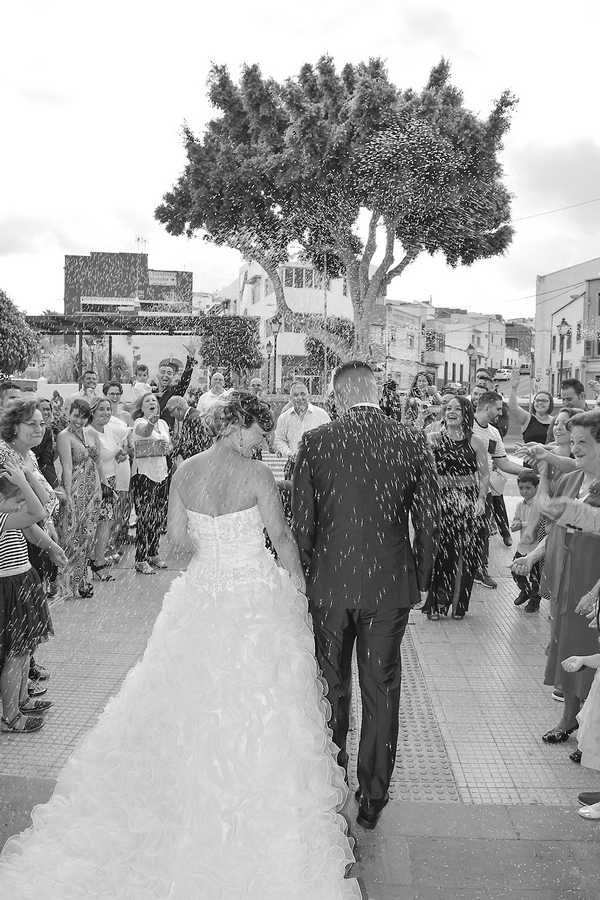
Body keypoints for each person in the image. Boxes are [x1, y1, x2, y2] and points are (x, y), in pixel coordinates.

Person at [0, 391, 362, 900]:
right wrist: (299, 590)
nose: (261, 442)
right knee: (262, 702)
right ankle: (259, 818)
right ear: (237, 426)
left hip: (201, 596)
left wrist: (211, 551)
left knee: (191, 701)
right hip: (255, 599)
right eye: (258, 432)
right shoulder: (258, 475)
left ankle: (182, 801)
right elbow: (281, 539)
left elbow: (175, 539)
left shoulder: (186, 471)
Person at [292, 361, 440, 831]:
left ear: (337, 397)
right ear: (376, 393)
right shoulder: (411, 440)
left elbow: (302, 523)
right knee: (381, 688)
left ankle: (331, 779)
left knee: (330, 684)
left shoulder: (317, 442)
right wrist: (421, 579)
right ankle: (373, 795)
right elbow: (429, 520)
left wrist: (309, 577)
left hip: (330, 588)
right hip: (388, 587)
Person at [534, 411, 600, 753]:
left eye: (583, 442)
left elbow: (586, 520)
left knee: (591, 653)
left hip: (592, 578)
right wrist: (534, 556)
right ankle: (570, 717)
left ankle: (592, 730)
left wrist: (596, 591)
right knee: (567, 648)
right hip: (567, 577)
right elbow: (553, 524)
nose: (575, 449)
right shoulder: (573, 479)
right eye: (572, 441)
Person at [0, 461, 57, 735]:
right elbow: (38, 512)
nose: (20, 505)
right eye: (16, 500)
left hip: (21, 579)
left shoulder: (8, 511)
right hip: (8, 586)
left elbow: (41, 508)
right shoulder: (2, 517)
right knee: (15, 653)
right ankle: (10, 717)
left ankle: (21, 701)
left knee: (23, 650)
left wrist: (26, 476)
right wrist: (24, 482)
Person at [424, 396, 488, 620]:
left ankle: (459, 604)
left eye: (457, 409)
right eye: (448, 408)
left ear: (466, 414)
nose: (451, 412)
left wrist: (481, 499)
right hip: (441, 502)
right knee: (441, 553)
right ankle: (437, 603)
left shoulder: (476, 442)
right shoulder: (434, 438)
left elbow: (485, 475)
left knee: (466, 554)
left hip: (468, 503)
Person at [472, 391, 527, 588]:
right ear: (487, 407)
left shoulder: (494, 433)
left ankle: (480, 570)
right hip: (462, 488)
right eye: (497, 409)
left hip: (484, 491)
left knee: (482, 532)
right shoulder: (465, 425)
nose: (500, 413)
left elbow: (503, 463)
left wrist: (531, 472)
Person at [55, 399, 102, 600]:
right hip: (75, 490)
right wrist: (67, 494)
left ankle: (80, 580)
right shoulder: (64, 436)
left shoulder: (90, 433)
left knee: (87, 535)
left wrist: (103, 486)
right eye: (76, 415)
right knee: (70, 535)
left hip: (92, 491)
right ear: (69, 414)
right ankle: (65, 582)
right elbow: (67, 466)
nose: (79, 420)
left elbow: (97, 461)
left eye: (83, 417)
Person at [85, 397, 126, 580]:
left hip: (110, 480)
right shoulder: (88, 432)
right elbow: (94, 461)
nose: (106, 413)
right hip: (96, 483)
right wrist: (104, 487)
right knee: (99, 523)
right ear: (92, 412)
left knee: (106, 523)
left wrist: (120, 454)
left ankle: (97, 559)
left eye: (108, 409)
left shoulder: (108, 429)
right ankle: (96, 563)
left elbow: (127, 434)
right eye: (101, 409)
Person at [130, 392, 171, 574]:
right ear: (142, 407)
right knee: (145, 518)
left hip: (161, 474)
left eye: (154, 400)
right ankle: (140, 559)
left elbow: (168, 446)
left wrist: (167, 447)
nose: (152, 402)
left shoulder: (163, 424)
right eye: (147, 401)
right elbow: (145, 432)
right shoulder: (140, 423)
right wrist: (151, 423)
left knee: (158, 517)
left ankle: (153, 553)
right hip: (144, 475)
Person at [274, 381, 330, 479]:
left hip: (317, 465)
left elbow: (329, 438)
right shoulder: (284, 417)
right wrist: (288, 453)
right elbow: (279, 439)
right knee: (291, 488)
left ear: (308, 395)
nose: (300, 398)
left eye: (303, 394)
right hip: (293, 464)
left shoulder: (321, 414)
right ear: (290, 398)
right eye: (296, 395)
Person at [510, 471, 541, 612]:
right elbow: (516, 519)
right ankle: (525, 591)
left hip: (536, 548)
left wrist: (522, 524)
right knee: (515, 570)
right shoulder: (519, 505)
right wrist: (515, 524)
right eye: (521, 488)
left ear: (536, 488)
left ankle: (535, 600)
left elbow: (539, 523)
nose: (524, 491)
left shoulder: (540, 505)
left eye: (528, 488)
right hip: (522, 547)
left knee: (535, 577)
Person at [156, 340, 201, 431]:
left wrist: (191, 358)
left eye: (169, 373)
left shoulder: (173, 392)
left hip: (168, 434)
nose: (165, 375)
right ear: (158, 375)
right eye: (163, 372)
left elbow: (185, 380)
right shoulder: (150, 393)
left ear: (172, 377)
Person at [508, 370, 554, 444]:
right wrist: (514, 388)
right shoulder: (528, 419)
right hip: (528, 451)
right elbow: (513, 408)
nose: (540, 403)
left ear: (550, 404)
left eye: (544, 401)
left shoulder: (555, 422)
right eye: (537, 400)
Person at [166, 395, 212, 464]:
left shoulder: (191, 419)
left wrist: (172, 454)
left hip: (199, 460)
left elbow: (188, 445)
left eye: (171, 411)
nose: (171, 415)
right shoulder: (196, 414)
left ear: (178, 408)